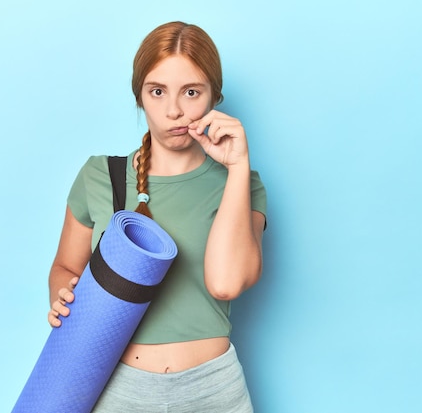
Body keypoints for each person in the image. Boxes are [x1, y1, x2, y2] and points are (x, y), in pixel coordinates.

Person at [47, 21, 267, 412]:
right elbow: (65, 266)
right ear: (140, 96)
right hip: (118, 388)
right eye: (158, 91)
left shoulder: (240, 183)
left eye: (192, 92)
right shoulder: (101, 176)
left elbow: (226, 284)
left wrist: (237, 166)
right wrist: (62, 293)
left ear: (214, 96)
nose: (174, 110)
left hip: (213, 389)